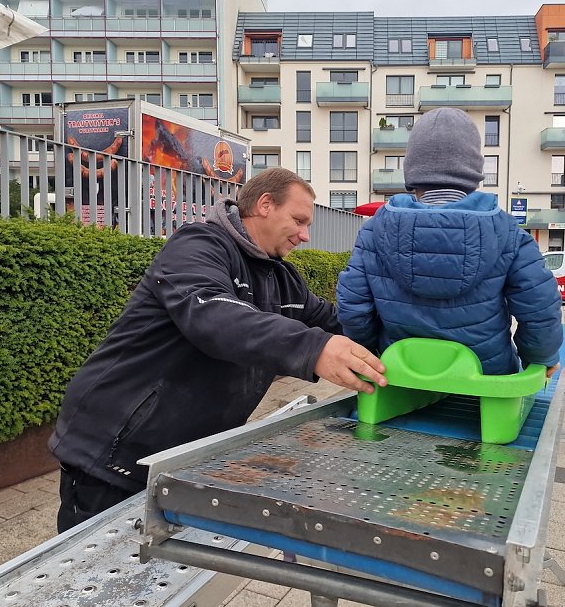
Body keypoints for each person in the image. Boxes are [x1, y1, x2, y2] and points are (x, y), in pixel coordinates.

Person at [48, 169, 387, 532]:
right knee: (97, 576)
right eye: (299, 220)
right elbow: (216, 317)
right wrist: (314, 347)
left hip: (181, 459)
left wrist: (401, 338)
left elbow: (338, 326)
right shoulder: (197, 245)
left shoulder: (283, 279)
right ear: (265, 204)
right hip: (113, 454)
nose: (305, 235)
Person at [336, 107, 563, 378]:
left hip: (399, 377)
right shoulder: (507, 232)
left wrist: (369, 352)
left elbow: (353, 305)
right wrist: (539, 357)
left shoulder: (375, 230)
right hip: (485, 383)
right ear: (474, 169)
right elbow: (540, 305)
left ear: (411, 169)